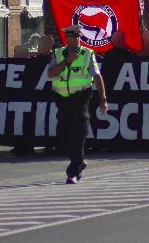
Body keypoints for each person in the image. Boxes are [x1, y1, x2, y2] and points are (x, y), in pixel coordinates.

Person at [47, 25, 109, 184]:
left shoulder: (87, 54)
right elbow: (51, 73)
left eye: (78, 37)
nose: (76, 40)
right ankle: (80, 162)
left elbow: (97, 76)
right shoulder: (58, 53)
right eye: (73, 37)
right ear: (66, 39)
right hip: (62, 98)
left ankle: (73, 172)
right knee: (63, 134)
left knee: (78, 134)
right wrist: (67, 61)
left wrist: (103, 99)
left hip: (81, 97)